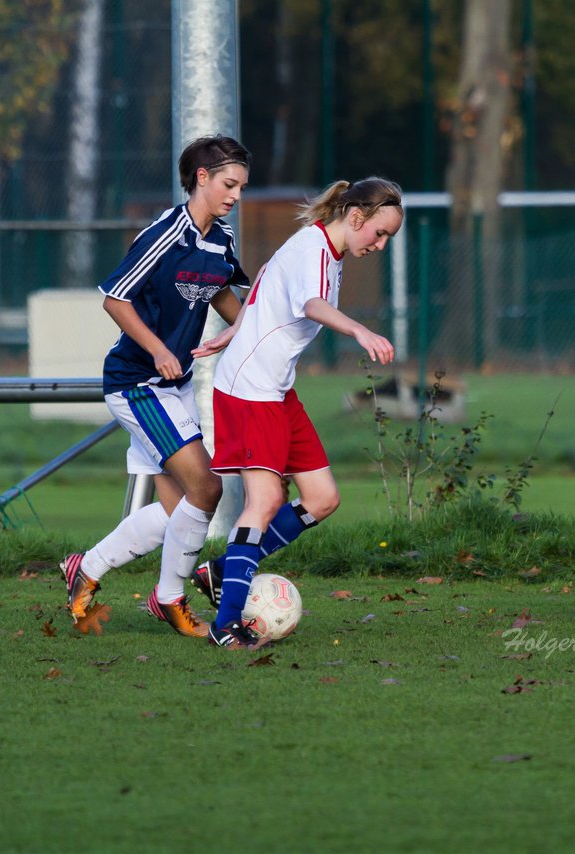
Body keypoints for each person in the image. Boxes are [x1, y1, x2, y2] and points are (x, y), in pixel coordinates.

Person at [188, 177, 402, 648]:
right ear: (356, 217)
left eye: (389, 238)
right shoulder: (314, 248)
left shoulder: (327, 251)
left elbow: (266, 275)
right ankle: (225, 626)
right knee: (263, 503)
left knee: (322, 498)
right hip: (248, 390)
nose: (381, 245)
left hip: (277, 391)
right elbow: (311, 304)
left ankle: (224, 570)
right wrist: (360, 332)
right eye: (379, 234)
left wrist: (235, 328)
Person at [59, 135, 250, 638]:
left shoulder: (221, 240)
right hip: (137, 384)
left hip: (175, 387)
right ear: (202, 178)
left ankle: (88, 568)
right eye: (229, 184)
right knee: (206, 488)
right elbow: (115, 299)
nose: (235, 195)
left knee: (177, 514)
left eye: (241, 187)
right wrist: (160, 349)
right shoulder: (165, 232)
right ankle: (168, 599)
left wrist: (259, 326)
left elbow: (225, 298)